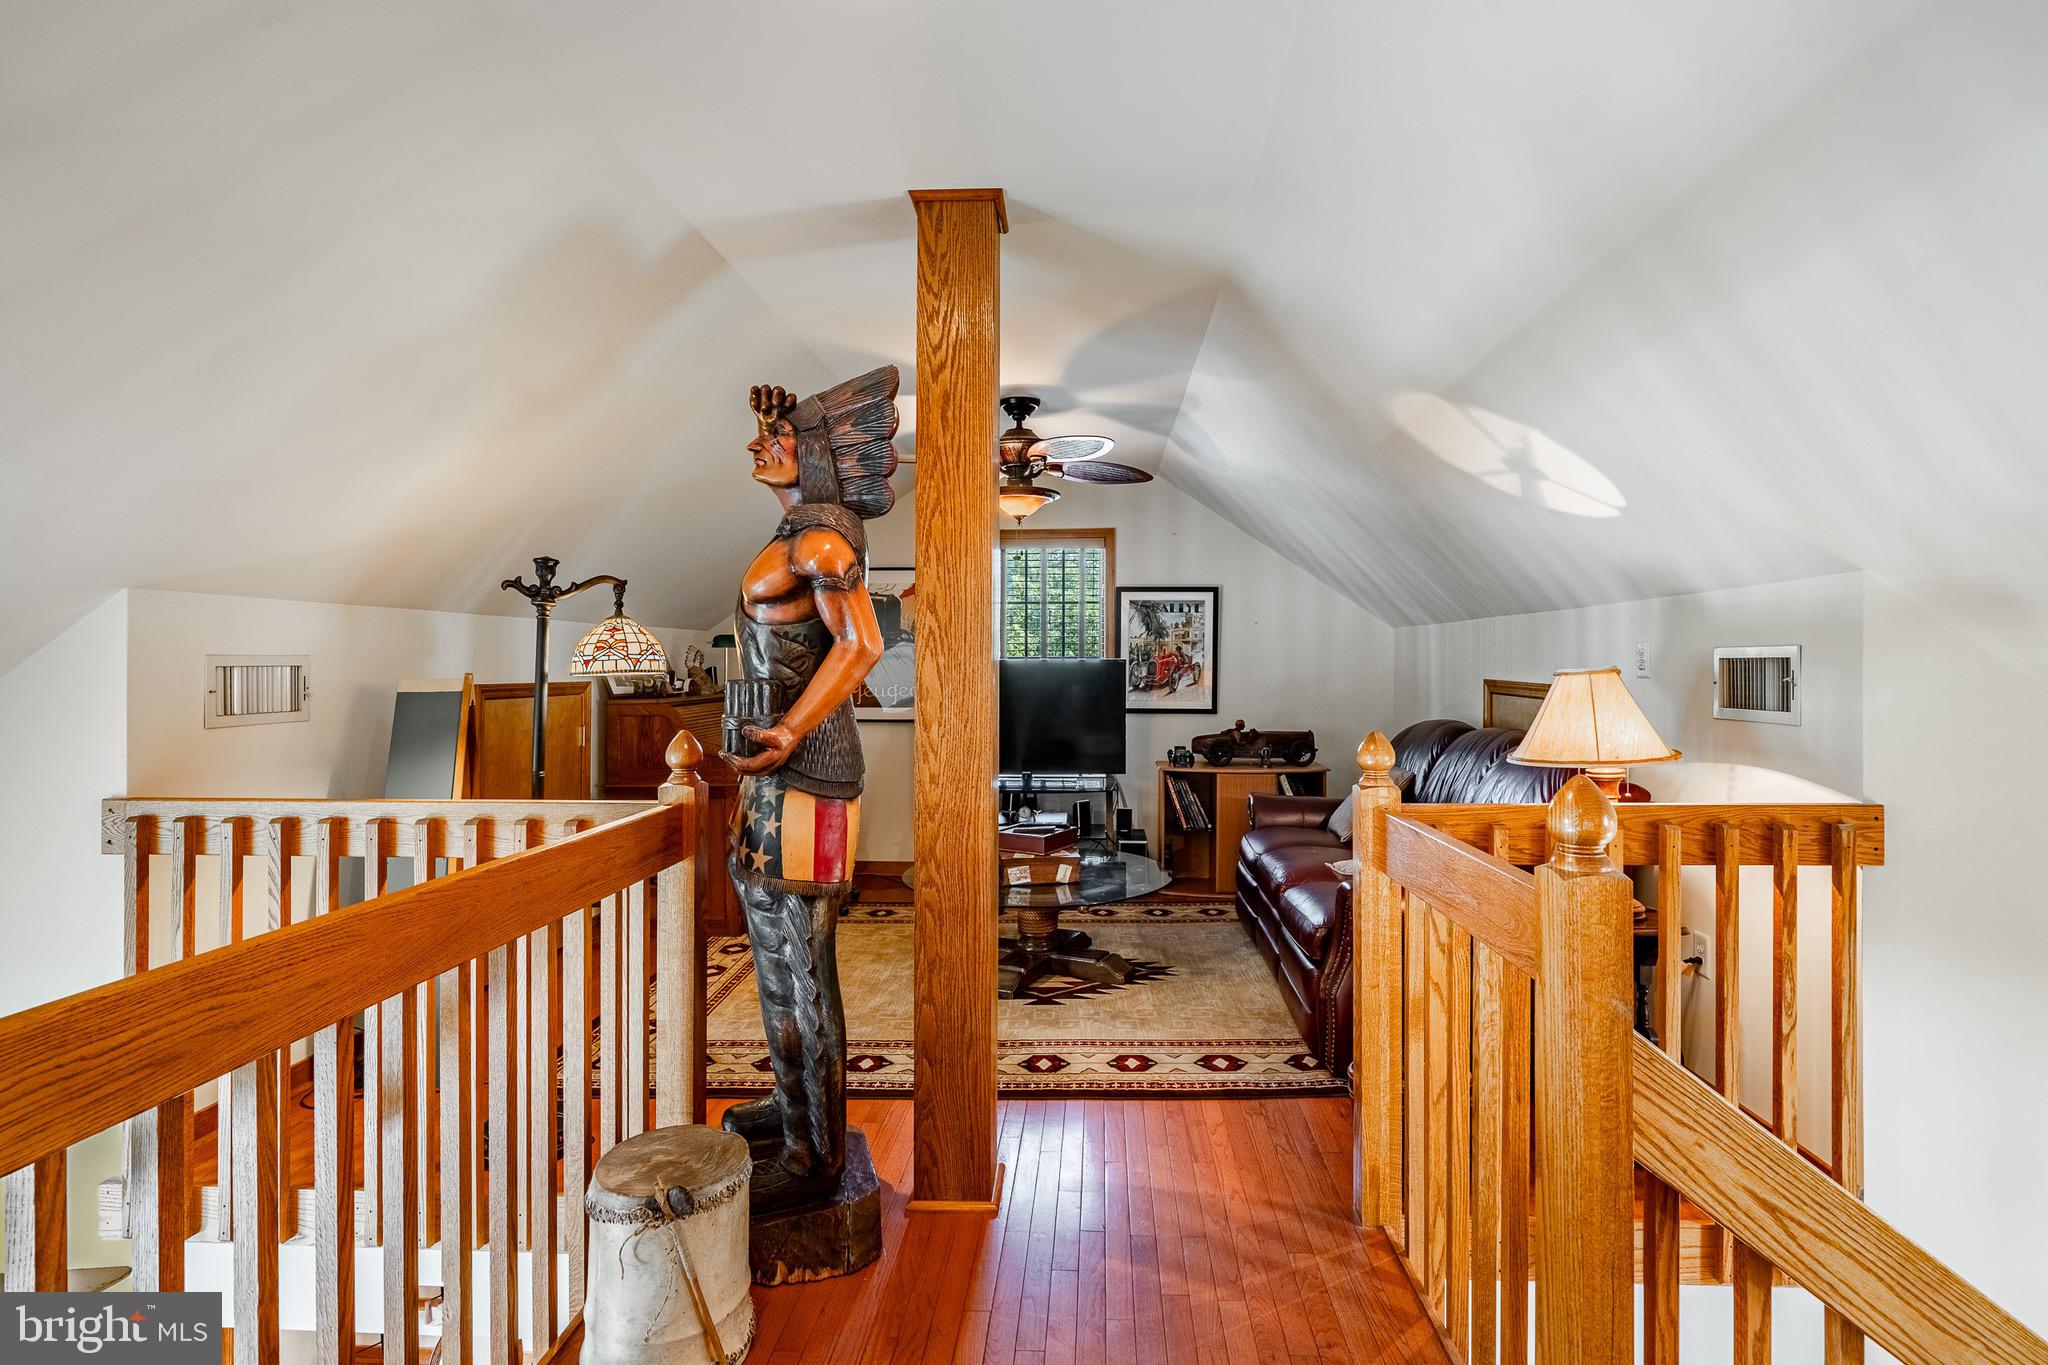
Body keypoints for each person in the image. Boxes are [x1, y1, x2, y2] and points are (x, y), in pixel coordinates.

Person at [718, 365, 897, 1211]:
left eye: (779, 439)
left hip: (810, 772)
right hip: (775, 773)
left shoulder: (823, 542)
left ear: (815, 458)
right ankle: (795, 1111)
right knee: (770, 955)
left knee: (803, 963)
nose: (759, 445)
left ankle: (818, 1154)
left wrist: (790, 728)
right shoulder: (796, 533)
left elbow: (861, 646)